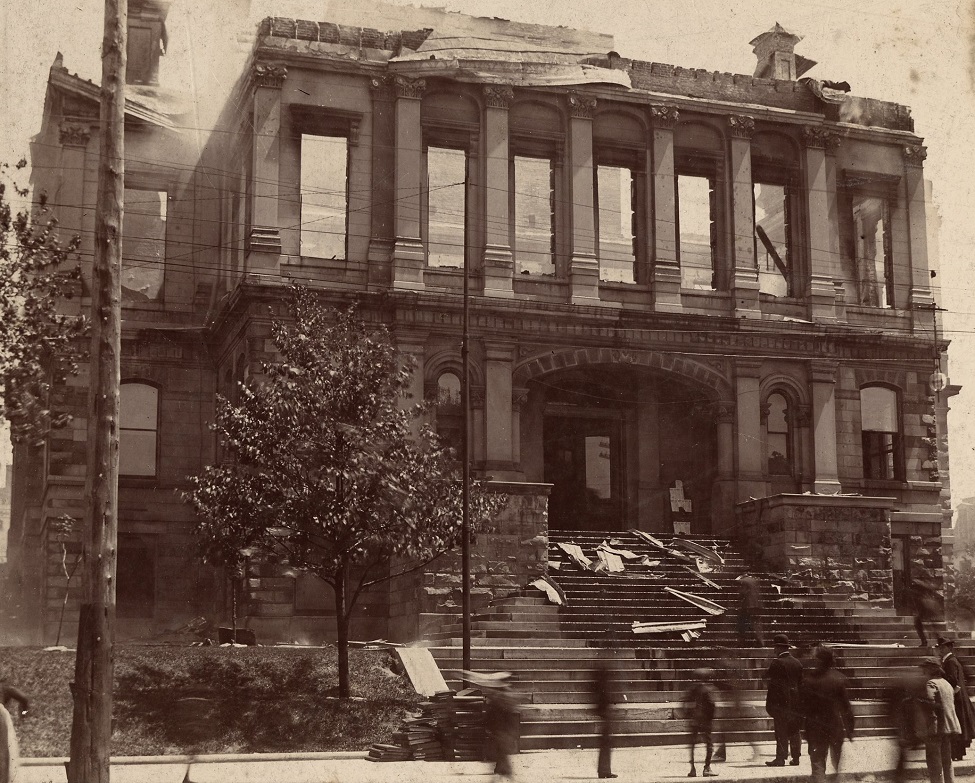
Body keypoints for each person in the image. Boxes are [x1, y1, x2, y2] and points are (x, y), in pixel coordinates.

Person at [800, 646, 854, 783]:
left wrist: (803, 728)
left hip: (815, 728)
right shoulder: (838, 679)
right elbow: (846, 707)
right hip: (835, 727)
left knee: (818, 764)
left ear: (819, 661)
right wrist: (850, 728)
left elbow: (802, 707)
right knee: (837, 763)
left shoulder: (808, 680)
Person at [917, 656, 961, 783]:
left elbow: (929, 703)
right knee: (947, 761)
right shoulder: (946, 683)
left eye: (924, 669)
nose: (923, 671)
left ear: (931, 669)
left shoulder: (931, 683)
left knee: (934, 762)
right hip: (949, 727)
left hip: (935, 729)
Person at [764, 633, 803, 767]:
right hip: (796, 703)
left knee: (781, 731)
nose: (774, 650)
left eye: (775, 647)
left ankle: (780, 758)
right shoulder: (797, 663)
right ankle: (796, 757)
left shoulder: (777, 663)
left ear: (779, 648)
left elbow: (771, 683)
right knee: (794, 730)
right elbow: (801, 684)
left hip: (781, 703)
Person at [935, 637, 975, 761]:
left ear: (948, 648)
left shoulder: (950, 662)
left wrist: (940, 672)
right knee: (958, 724)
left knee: (955, 724)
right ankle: (957, 753)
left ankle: (956, 753)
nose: (940, 650)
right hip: (958, 696)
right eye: (939, 648)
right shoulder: (950, 660)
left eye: (942, 647)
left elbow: (952, 680)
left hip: (955, 697)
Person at [481, 673, 520, 780]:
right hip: (503, 732)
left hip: (500, 732)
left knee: (502, 760)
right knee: (502, 761)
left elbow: (490, 715)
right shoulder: (505, 697)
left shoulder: (498, 698)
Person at [685, 668, 719, 777]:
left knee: (692, 744)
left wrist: (688, 716)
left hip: (695, 720)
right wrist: (710, 718)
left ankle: (692, 769)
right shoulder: (708, 689)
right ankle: (707, 768)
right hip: (705, 721)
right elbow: (711, 705)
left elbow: (685, 703)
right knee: (709, 744)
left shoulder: (692, 689)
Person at [591, 659, 617, 779]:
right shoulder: (603, 686)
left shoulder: (600, 685)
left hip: (604, 714)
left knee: (606, 743)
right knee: (606, 743)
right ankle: (604, 771)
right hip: (605, 714)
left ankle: (604, 770)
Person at [0, 681, 28, 783]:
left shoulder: (4, 687)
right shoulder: (4, 686)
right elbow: (24, 698)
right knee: (4, 755)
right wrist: (23, 714)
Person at [736, 575, 765, 648]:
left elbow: (742, 591)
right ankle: (760, 642)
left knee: (742, 623)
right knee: (757, 624)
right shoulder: (754, 580)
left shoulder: (743, 581)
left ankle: (742, 642)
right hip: (757, 605)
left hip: (748, 605)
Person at [911, 580, 940, 648]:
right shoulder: (918, 592)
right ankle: (925, 641)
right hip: (924, 610)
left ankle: (938, 641)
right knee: (923, 625)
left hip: (926, 609)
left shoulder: (921, 591)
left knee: (930, 627)